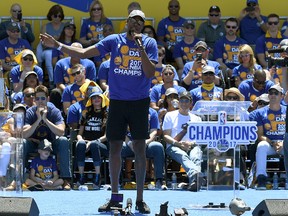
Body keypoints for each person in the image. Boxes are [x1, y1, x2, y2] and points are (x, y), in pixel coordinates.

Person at [41, 9, 157, 213]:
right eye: (134, 20)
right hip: (118, 102)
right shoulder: (114, 40)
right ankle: (115, 197)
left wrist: (140, 49)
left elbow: (149, 72)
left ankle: (139, 198)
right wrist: (58, 45)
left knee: (140, 148)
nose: (137, 24)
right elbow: (85, 53)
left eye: (141, 21)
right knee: (114, 149)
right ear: (127, 21)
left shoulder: (148, 43)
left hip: (140, 101)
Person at [23, 85, 72, 190]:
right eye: (37, 98)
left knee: (63, 141)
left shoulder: (54, 111)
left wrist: (45, 120)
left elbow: (61, 132)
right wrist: (38, 119)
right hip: (35, 144)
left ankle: (66, 179)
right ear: (34, 100)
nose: (40, 101)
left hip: (51, 144)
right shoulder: (30, 112)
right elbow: (25, 134)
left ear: (48, 99)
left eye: (43, 98)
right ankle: (19, 179)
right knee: (22, 142)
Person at [163, 90, 203, 191]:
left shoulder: (197, 118)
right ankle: (196, 175)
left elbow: (200, 138)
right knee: (183, 155)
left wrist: (190, 144)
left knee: (196, 155)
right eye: (182, 100)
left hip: (192, 145)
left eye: (186, 101)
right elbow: (166, 136)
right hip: (174, 146)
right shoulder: (169, 115)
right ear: (178, 102)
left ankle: (194, 182)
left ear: (191, 103)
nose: (184, 103)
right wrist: (179, 144)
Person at [250, 85, 286, 190]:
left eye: (276, 93)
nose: (273, 95)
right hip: (270, 143)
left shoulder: (287, 111)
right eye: (271, 93)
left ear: (282, 96)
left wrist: (283, 142)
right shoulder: (260, 113)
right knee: (261, 146)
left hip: (284, 144)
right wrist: (273, 143)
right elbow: (260, 135)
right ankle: (261, 178)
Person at [122, 107, 166, 190]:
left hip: (146, 143)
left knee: (158, 147)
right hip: (129, 143)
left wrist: (145, 143)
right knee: (118, 148)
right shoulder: (125, 110)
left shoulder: (152, 112)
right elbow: (122, 132)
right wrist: (131, 144)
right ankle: (118, 181)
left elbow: (154, 131)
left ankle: (159, 180)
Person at [75, 86, 109, 190]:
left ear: (102, 99)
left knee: (94, 145)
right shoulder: (86, 114)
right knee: (80, 144)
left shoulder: (107, 114)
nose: (96, 100)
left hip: (101, 144)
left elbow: (107, 136)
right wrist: (80, 139)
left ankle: (97, 177)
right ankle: (80, 177)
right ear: (91, 100)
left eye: (98, 97)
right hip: (86, 143)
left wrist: (94, 141)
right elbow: (79, 133)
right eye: (94, 98)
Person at [36, 4, 65, 88]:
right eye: (55, 15)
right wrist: (52, 41)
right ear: (51, 15)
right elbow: (43, 42)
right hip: (47, 48)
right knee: (49, 54)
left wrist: (57, 41)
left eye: (60, 16)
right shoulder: (45, 26)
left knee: (50, 54)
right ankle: (51, 80)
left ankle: (53, 80)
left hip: (60, 49)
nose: (57, 18)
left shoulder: (64, 26)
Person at [0, 22, 31, 88]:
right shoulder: (2, 44)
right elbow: (2, 63)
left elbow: (32, 59)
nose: (16, 33)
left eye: (17, 31)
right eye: (13, 31)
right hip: (9, 70)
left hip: (24, 69)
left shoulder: (25, 42)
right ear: (8, 32)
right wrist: (14, 69)